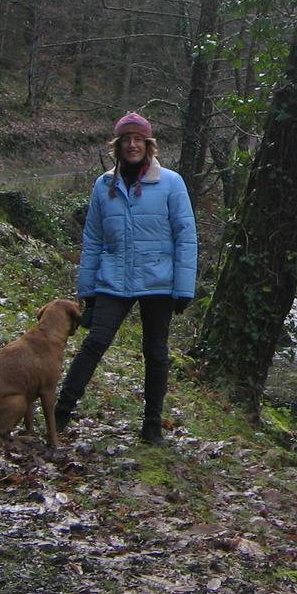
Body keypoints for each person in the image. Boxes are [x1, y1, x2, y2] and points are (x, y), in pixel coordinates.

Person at [55, 111, 198, 445]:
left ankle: (152, 426)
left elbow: (186, 235)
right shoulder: (104, 186)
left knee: (156, 352)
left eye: (139, 140)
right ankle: (60, 413)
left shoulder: (171, 183)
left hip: (158, 281)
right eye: (126, 140)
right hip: (113, 279)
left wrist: (184, 288)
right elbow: (92, 238)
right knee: (94, 343)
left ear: (149, 146)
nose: (132, 145)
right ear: (117, 146)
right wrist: (87, 288)